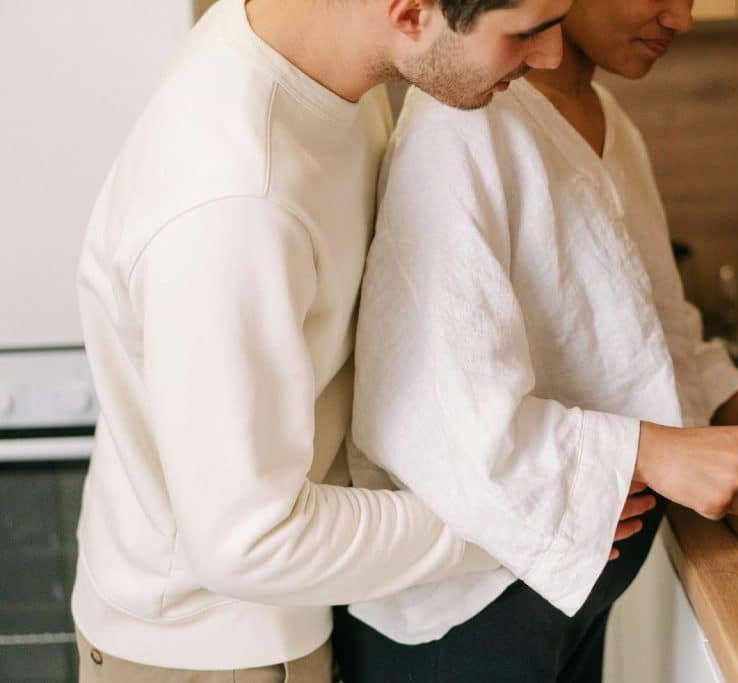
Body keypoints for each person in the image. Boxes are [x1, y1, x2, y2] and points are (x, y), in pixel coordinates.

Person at [340, 0, 738, 679]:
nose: (683, 18)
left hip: (577, 588)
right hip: (472, 614)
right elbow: (437, 410)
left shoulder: (615, 127)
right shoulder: (462, 122)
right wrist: (649, 449)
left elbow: (667, 343)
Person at [71, 0, 584, 679]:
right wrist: (506, 517)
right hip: (212, 650)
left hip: (279, 617)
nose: (552, 56)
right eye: (525, 32)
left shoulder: (322, 60)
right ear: (408, 14)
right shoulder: (232, 201)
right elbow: (248, 540)